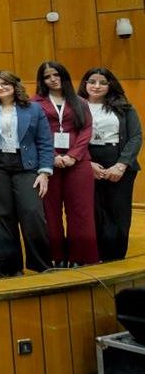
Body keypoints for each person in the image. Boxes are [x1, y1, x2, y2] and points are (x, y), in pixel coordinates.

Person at [0, 70, 53, 273]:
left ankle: (40, 264)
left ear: (15, 86)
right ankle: (10, 266)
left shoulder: (33, 108)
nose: (1, 88)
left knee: (32, 213)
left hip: (27, 165)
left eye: (5, 84)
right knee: (3, 215)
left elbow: (44, 141)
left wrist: (44, 173)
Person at [33, 61, 97, 267]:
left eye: (56, 75)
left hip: (78, 162)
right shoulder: (34, 103)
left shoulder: (80, 102)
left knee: (80, 210)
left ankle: (80, 257)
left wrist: (73, 156)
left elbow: (86, 130)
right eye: (47, 76)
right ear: (42, 81)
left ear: (64, 76)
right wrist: (52, 156)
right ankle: (56, 256)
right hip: (47, 162)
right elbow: (33, 132)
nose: (53, 79)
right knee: (50, 211)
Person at [80, 67, 140, 262]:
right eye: (92, 82)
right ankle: (95, 254)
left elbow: (136, 137)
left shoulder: (124, 107)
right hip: (87, 160)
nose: (96, 86)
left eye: (103, 82)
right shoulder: (76, 106)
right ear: (85, 84)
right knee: (93, 210)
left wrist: (121, 165)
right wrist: (87, 163)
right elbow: (72, 138)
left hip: (118, 160)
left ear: (110, 85)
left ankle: (114, 256)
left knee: (118, 210)